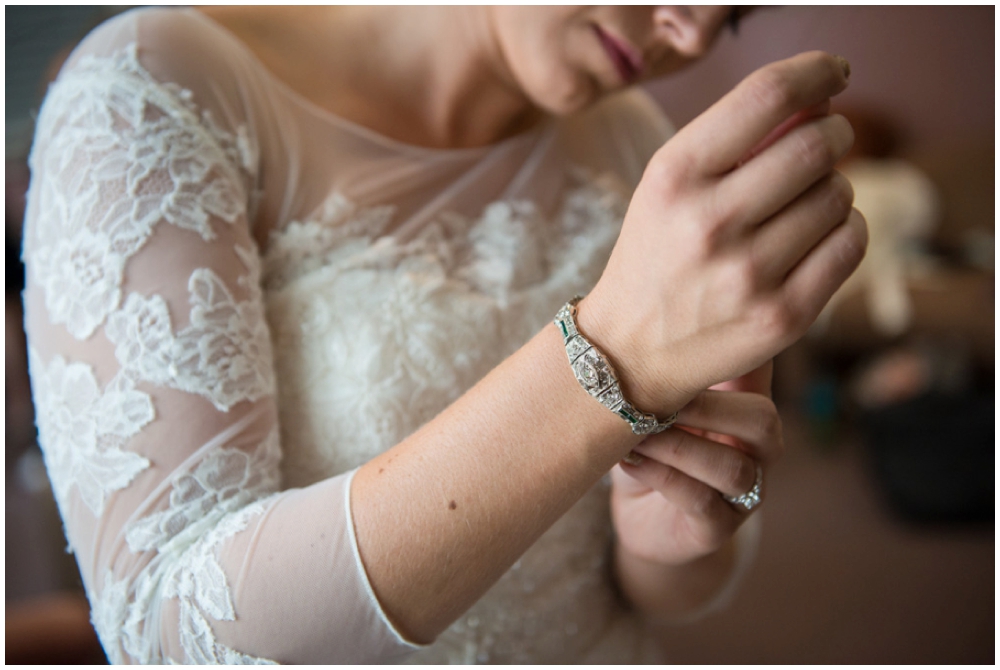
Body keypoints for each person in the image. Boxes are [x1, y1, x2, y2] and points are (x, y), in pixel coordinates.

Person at [21, 6, 865, 664]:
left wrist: (668, 544)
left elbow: (658, 592)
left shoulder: (636, 147)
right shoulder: (158, 88)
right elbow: (168, 629)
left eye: (740, 12)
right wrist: (613, 361)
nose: (696, 29)